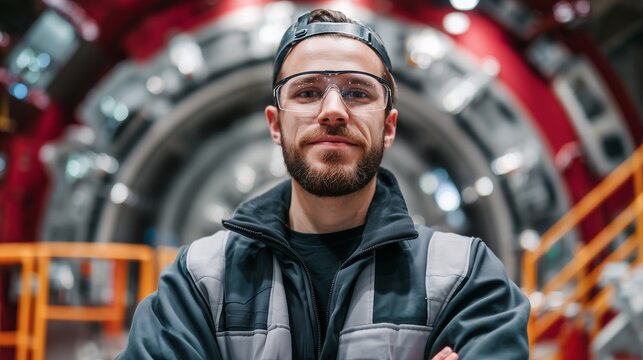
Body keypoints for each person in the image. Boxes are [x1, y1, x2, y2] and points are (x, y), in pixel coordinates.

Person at [118, 8, 530, 360]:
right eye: (308, 91)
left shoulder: (466, 278)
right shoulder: (200, 282)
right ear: (276, 124)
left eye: (357, 92)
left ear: (388, 127)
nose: (333, 110)